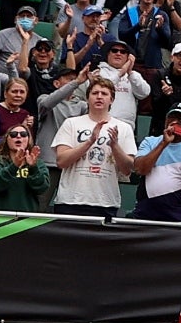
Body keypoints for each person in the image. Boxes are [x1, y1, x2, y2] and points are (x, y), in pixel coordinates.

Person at [49, 74, 137, 220]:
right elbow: (61, 161)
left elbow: (127, 169)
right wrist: (89, 141)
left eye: (104, 94)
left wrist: (114, 145)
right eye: (95, 93)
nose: (99, 97)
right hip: (70, 201)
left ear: (112, 99)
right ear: (87, 98)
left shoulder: (124, 128)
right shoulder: (71, 123)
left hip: (105, 203)